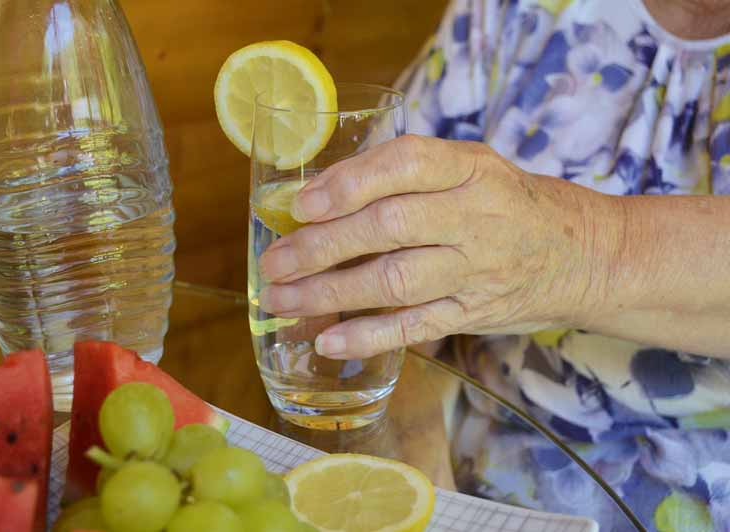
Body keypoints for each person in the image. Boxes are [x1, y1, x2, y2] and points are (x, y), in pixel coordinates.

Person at [258, 0, 730, 530]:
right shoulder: (506, 11)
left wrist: (576, 252)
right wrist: (425, 482)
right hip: (475, 482)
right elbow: (382, 275)